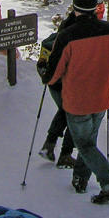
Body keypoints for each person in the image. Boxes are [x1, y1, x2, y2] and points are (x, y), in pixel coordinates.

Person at [45, 0, 109, 203]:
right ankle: (80, 180)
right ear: (95, 8)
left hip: (77, 101)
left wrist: (50, 80)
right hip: (101, 97)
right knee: (89, 141)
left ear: (75, 10)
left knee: (85, 145)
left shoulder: (67, 36)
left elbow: (54, 73)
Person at [36, 11, 77, 167]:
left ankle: (49, 145)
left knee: (64, 111)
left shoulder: (55, 38)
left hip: (54, 85)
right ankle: (65, 154)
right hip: (66, 84)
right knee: (73, 115)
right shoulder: (72, 39)